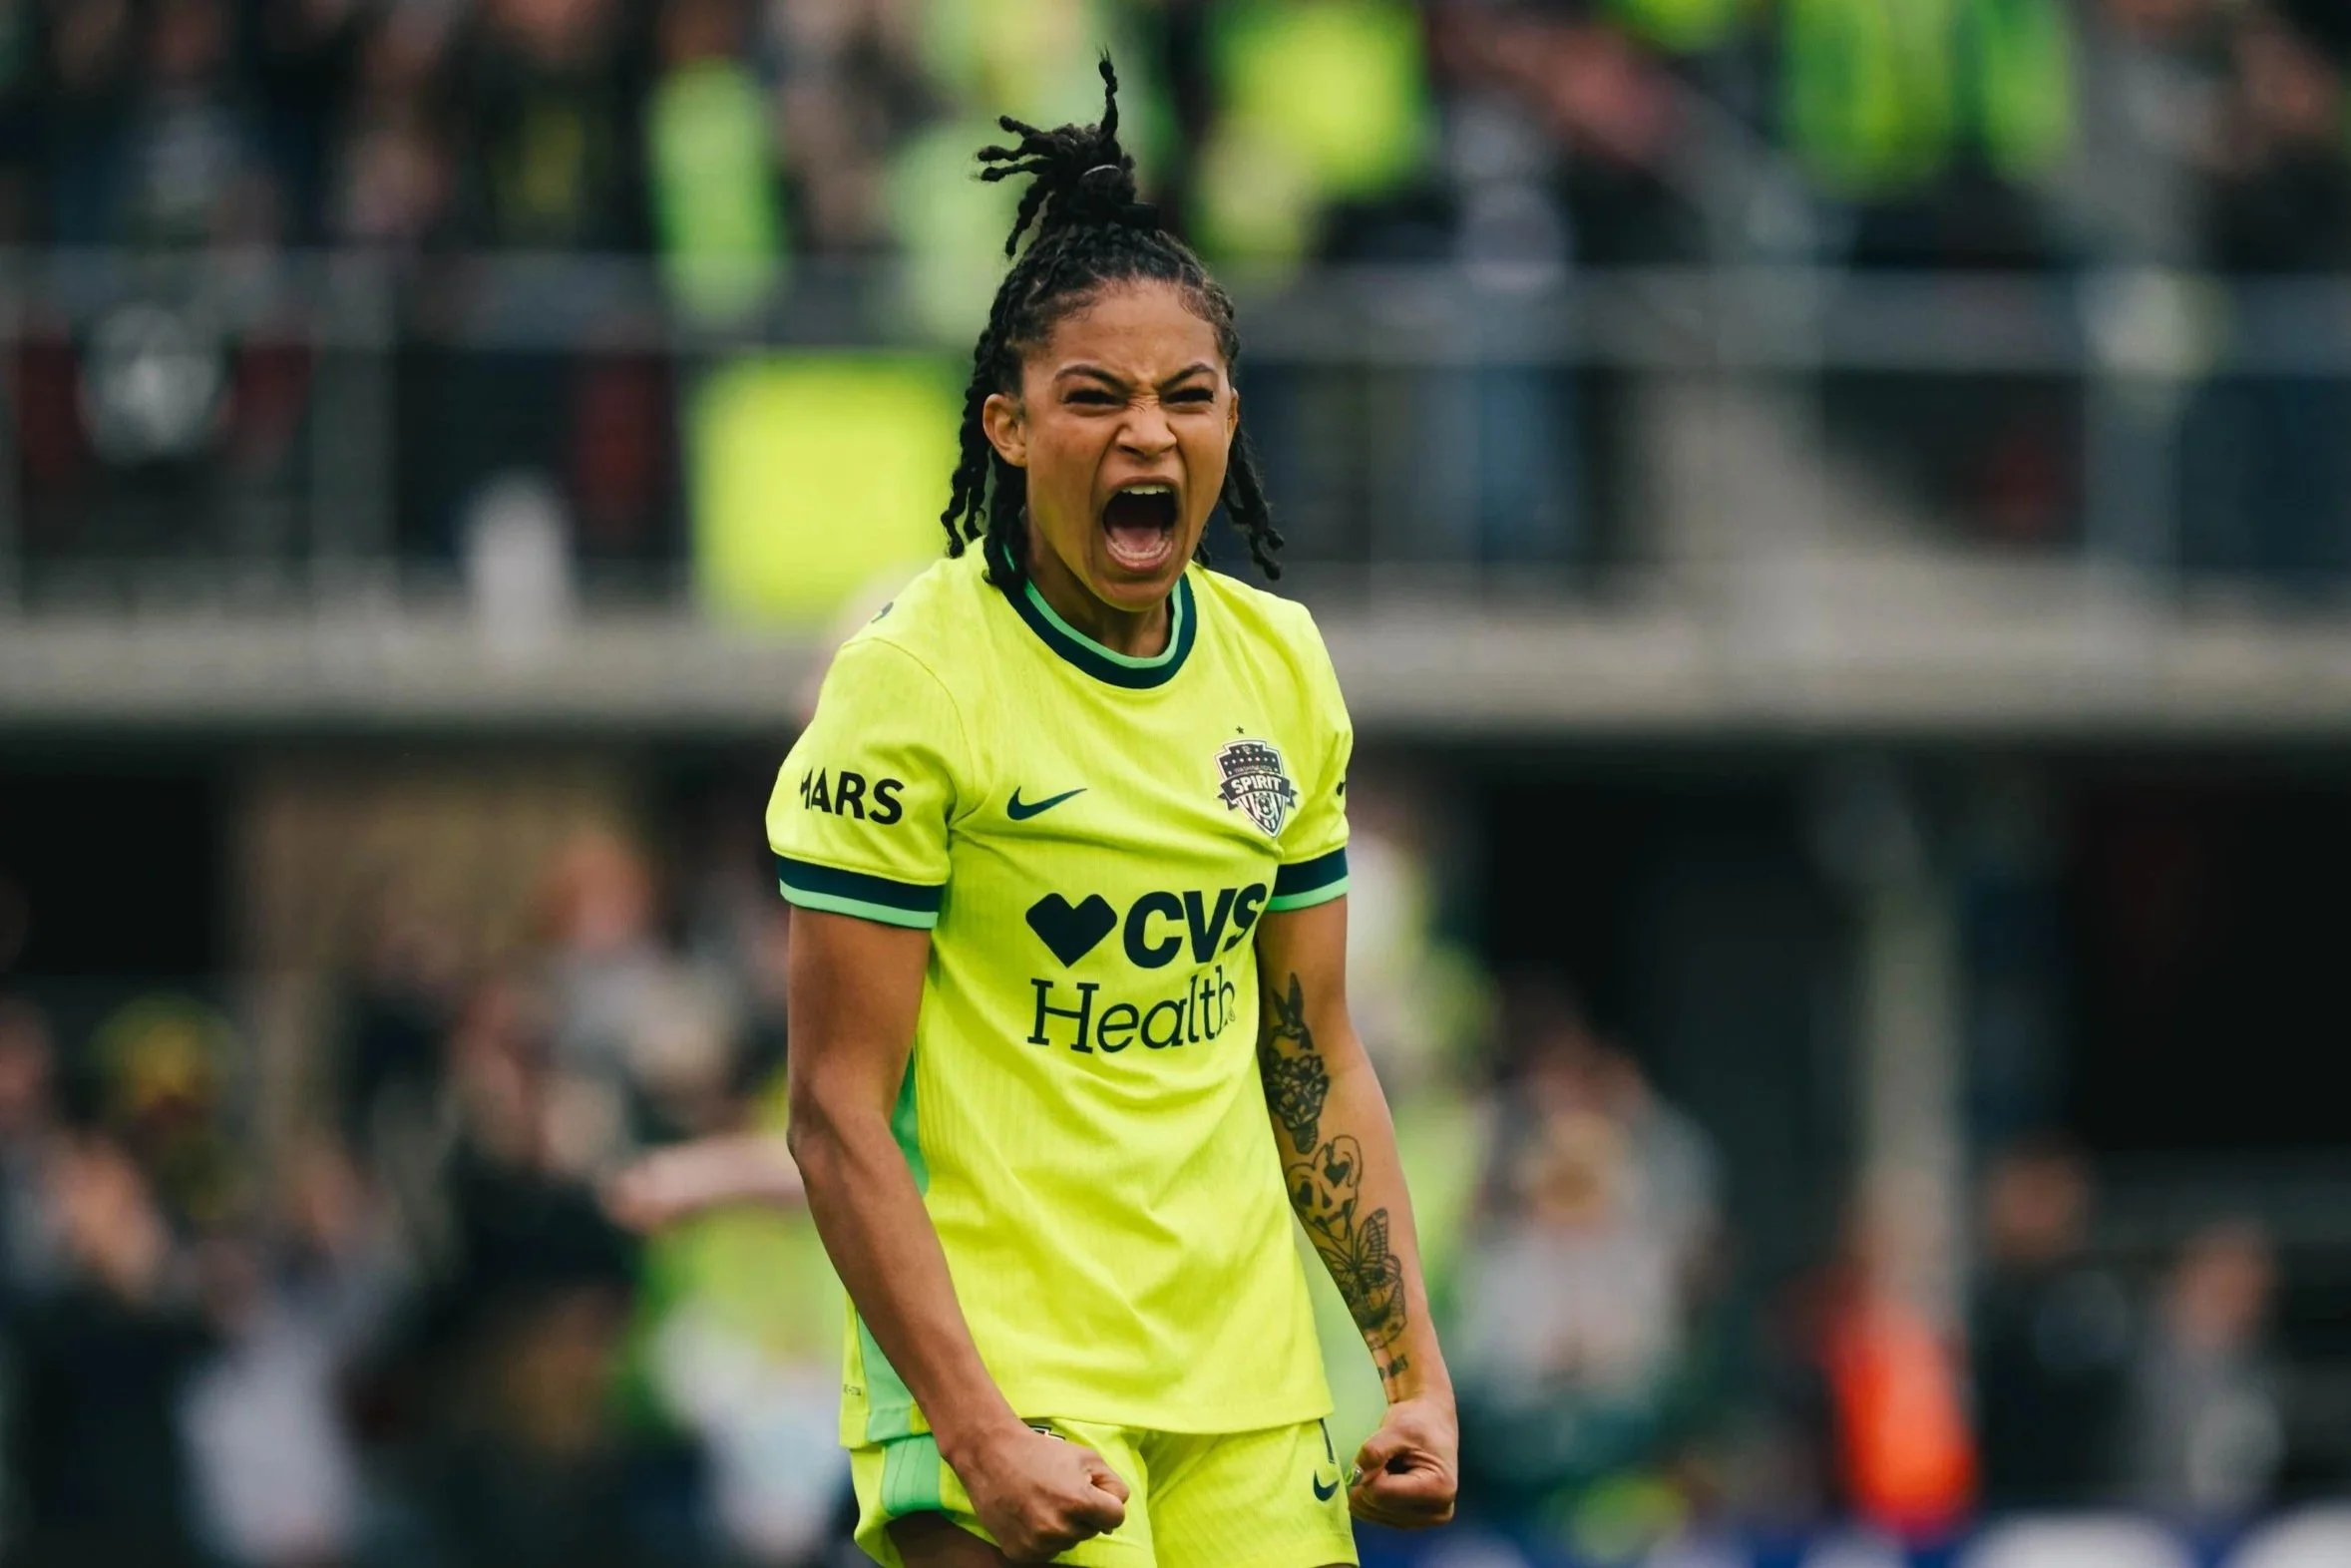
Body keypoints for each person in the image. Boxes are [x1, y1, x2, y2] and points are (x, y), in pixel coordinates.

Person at [610, 58, 1457, 1568]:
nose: (1148, 435)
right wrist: (975, 1429)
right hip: (1008, 1379)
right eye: (1096, 398)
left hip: (1249, 1391)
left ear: (1230, 419)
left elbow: (1314, 1055)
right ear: (1005, 427)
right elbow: (832, 1114)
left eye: (1186, 396)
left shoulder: (1282, 667)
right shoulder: (913, 687)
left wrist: (1413, 1372)